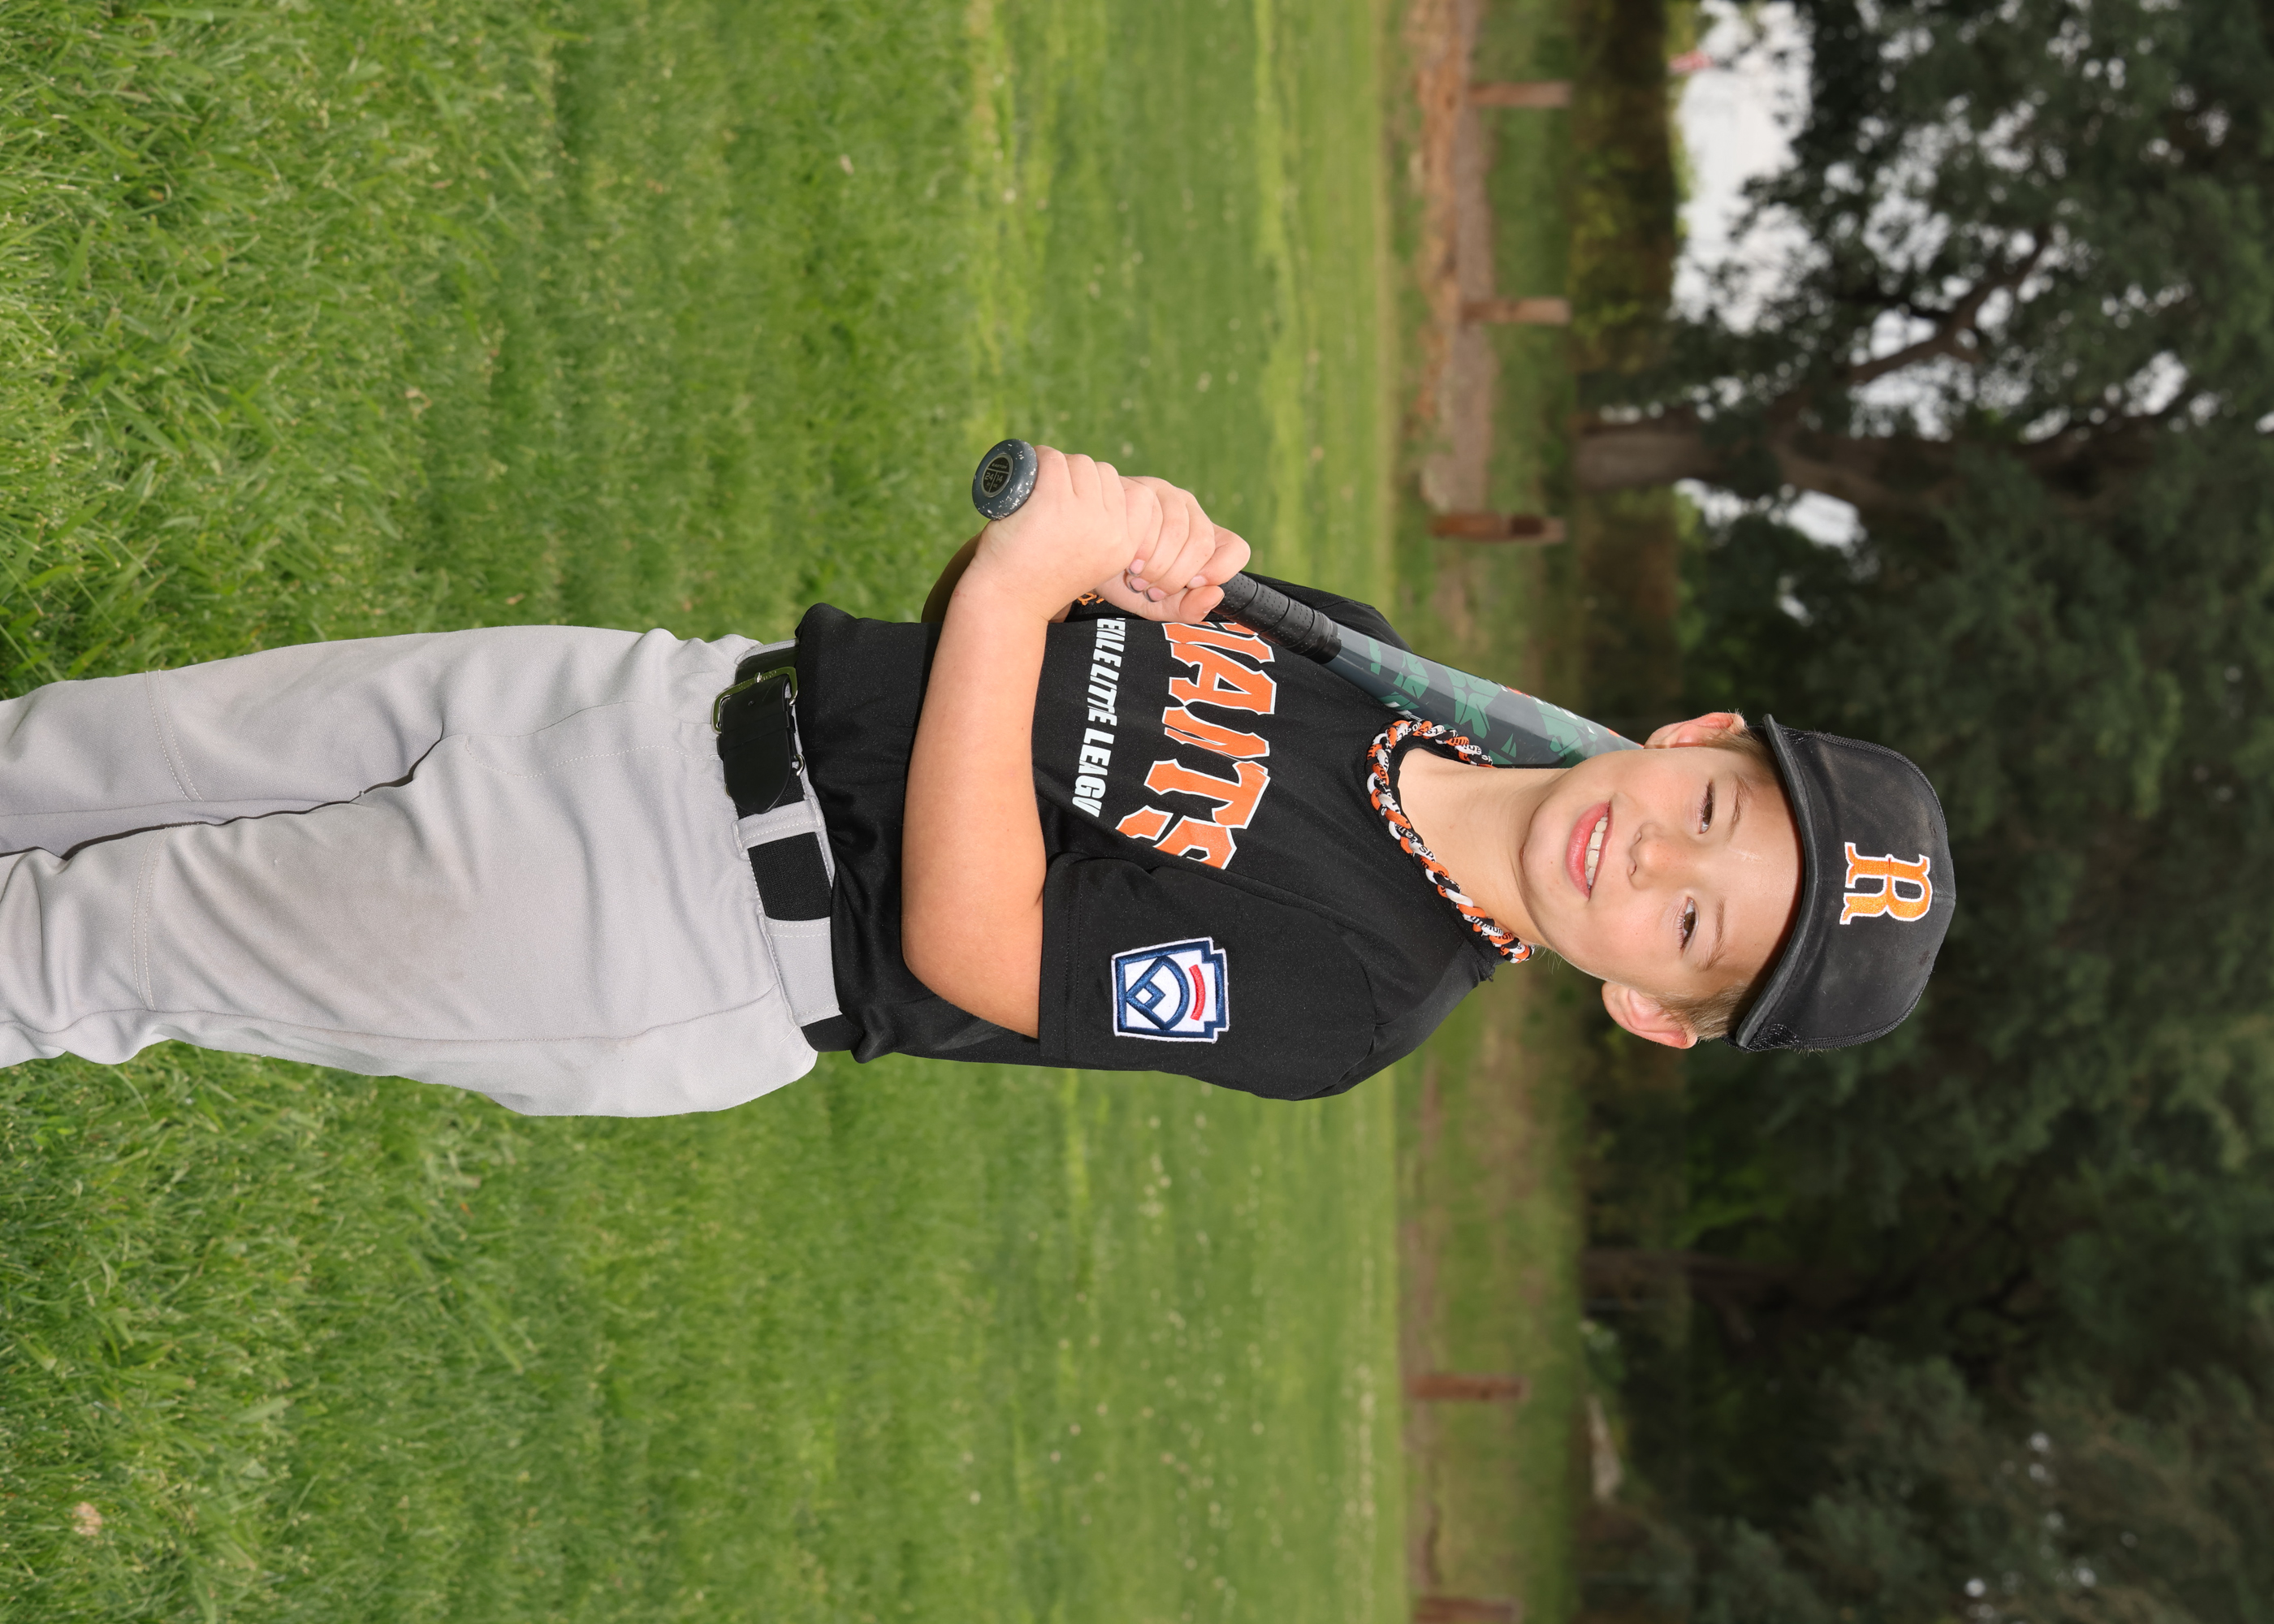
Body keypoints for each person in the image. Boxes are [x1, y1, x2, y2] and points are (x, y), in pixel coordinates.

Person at [0, 448, 1952, 1116]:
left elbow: (973, 936)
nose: (1651, 857)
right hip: (661, 703)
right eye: (1714, 814)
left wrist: (1028, 585)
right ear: (1695, 737)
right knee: (76, 758)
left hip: (672, 929)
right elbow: (982, 660)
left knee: (87, 944)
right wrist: (1081, 559)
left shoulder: (1352, 999)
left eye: (1689, 927)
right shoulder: (1359, 663)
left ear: (1647, 1008)